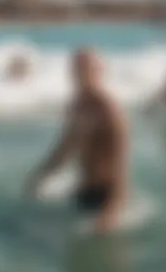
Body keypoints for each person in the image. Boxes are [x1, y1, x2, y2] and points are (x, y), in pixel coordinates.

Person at [25, 48, 128, 234]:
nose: (80, 75)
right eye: (76, 69)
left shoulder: (109, 111)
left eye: (86, 69)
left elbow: (120, 165)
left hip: (105, 196)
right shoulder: (76, 105)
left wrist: (112, 212)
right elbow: (65, 147)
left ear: (99, 72)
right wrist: (40, 176)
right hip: (82, 191)